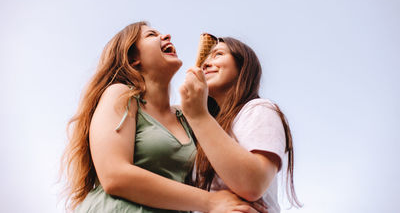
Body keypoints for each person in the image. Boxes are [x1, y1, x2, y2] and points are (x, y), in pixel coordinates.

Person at [60, 22, 265, 213]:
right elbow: (114, 175)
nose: (166, 35)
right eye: (151, 35)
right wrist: (211, 202)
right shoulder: (121, 94)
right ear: (133, 59)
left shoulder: (187, 117)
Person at [180, 37, 302, 213]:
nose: (205, 64)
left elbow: (253, 183)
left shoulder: (258, 109)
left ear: (242, 66)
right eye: (206, 59)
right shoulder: (211, 127)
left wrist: (199, 115)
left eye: (218, 54)